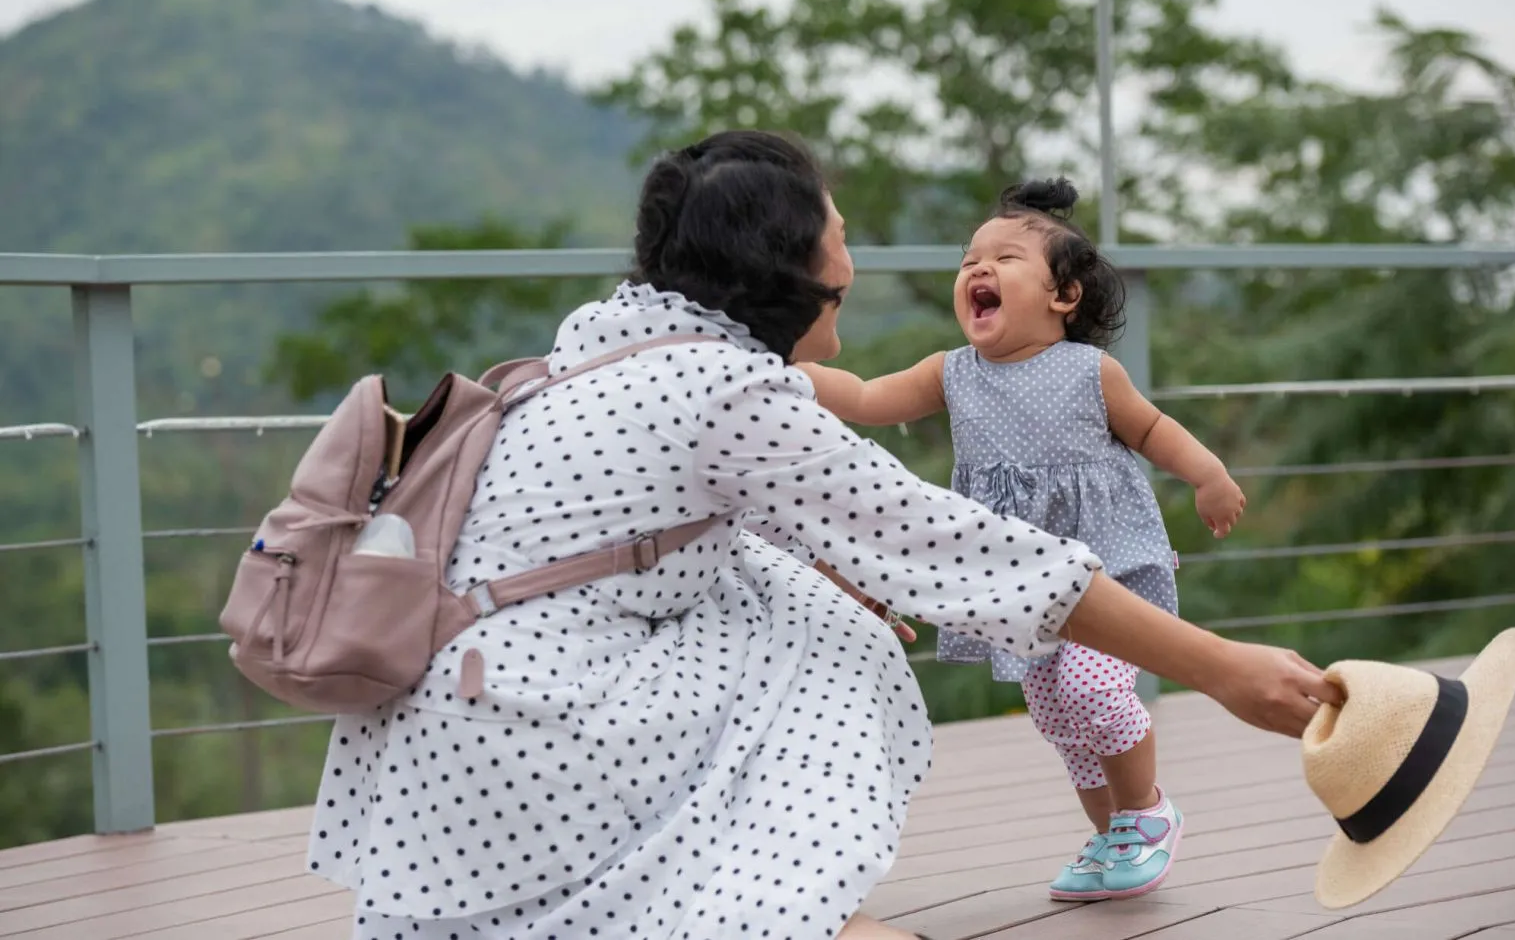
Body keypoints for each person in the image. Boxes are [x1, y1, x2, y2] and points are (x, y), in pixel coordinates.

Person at [305, 131, 1338, 940]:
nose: (852, 244)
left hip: (442, 777)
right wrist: (1219, 669)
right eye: (835, 227)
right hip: (532, 763)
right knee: (824, 635)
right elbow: (966, 555)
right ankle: (768, 910)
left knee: (804, 593)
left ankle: (715, 894)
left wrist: (819, 562)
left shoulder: (601, 346)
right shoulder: (729, 393)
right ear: (793, 264)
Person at [799, 177, 1246, 903]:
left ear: (1063, 296)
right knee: (1057, 713)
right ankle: (1110, 838)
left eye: (1004, 259)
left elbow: (1154, 431)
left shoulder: (1090, 371)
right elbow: (867, 397)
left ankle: (1146, 812)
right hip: (1014, 583)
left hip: (1108, 566)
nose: (978, 270)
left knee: (1090, 688)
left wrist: (1208, 474)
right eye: (969, 258)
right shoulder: (952, 373)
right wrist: (789, 371)